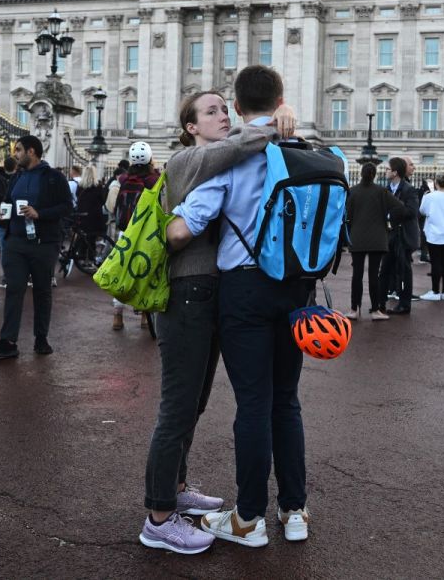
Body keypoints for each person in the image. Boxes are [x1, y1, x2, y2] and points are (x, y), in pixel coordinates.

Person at [138, 89, 295, 555]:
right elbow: (241, 147)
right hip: (186, 294)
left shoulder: (216, 160)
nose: (223, 117)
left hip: (207, 294)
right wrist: (279, 116)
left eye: (226, 109)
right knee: (175, 410)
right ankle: (158, 517)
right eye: (211, 112)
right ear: (191, 127)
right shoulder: (189, 160)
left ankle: (177, 487)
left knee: (195, 405)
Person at [166, 65, 314, 548]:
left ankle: (248, 518)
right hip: (297, 291)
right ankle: (294, 511)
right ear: (281, 99)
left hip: (245, 291)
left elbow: (185, 228)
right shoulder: (308, 153)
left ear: (234, 106)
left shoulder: (232, 161)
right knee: (286, 401)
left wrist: (161, 233)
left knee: (253, 404)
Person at [0, 135, 73, 358]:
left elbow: (66, 207)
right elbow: (6, 201)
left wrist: (39, 213)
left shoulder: (54, 177)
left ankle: (41, 338)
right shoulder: (17, 177)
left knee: (42, 291)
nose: (15, 154)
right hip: (15, 242)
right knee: (14, 288)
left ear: (32, 152)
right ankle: (8, 340)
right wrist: (2, 214)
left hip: (44, 244)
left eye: (19, 150)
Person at [106, 141, 160, 331]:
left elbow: (114, 207)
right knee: (145, 272)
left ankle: (117, 316)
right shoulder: (154, 181)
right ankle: (144, 316)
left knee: (123, 273)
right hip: (146, 233)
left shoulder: (124, 180)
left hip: (125, 233)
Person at [345, 162, 410, 319]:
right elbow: (400, 207)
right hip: (377, 238)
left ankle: (354, 310)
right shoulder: (382, 191)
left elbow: (347, 214)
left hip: (357, 237)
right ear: (374, 175)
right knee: (374, 276)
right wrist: (387, 217)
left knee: (357, 275)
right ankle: (375, 310)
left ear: (361, 173)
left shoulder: (352, 191)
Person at [379, 157, 420, 315]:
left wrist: (392, 210)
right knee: (385, 270)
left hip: (403, 235)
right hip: (389, 235)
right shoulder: (386, 189)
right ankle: (380, 302)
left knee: (404, 270)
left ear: (395, 172)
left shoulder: (409, 189)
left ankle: (405, 304)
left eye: (388, 169)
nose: (386, 172)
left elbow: (412, 212)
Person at [419, 175, 444, 301]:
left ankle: (435, 291)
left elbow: (422, 211)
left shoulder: (429, 196)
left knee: (435, 262)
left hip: (434, 233)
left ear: (436, 183)